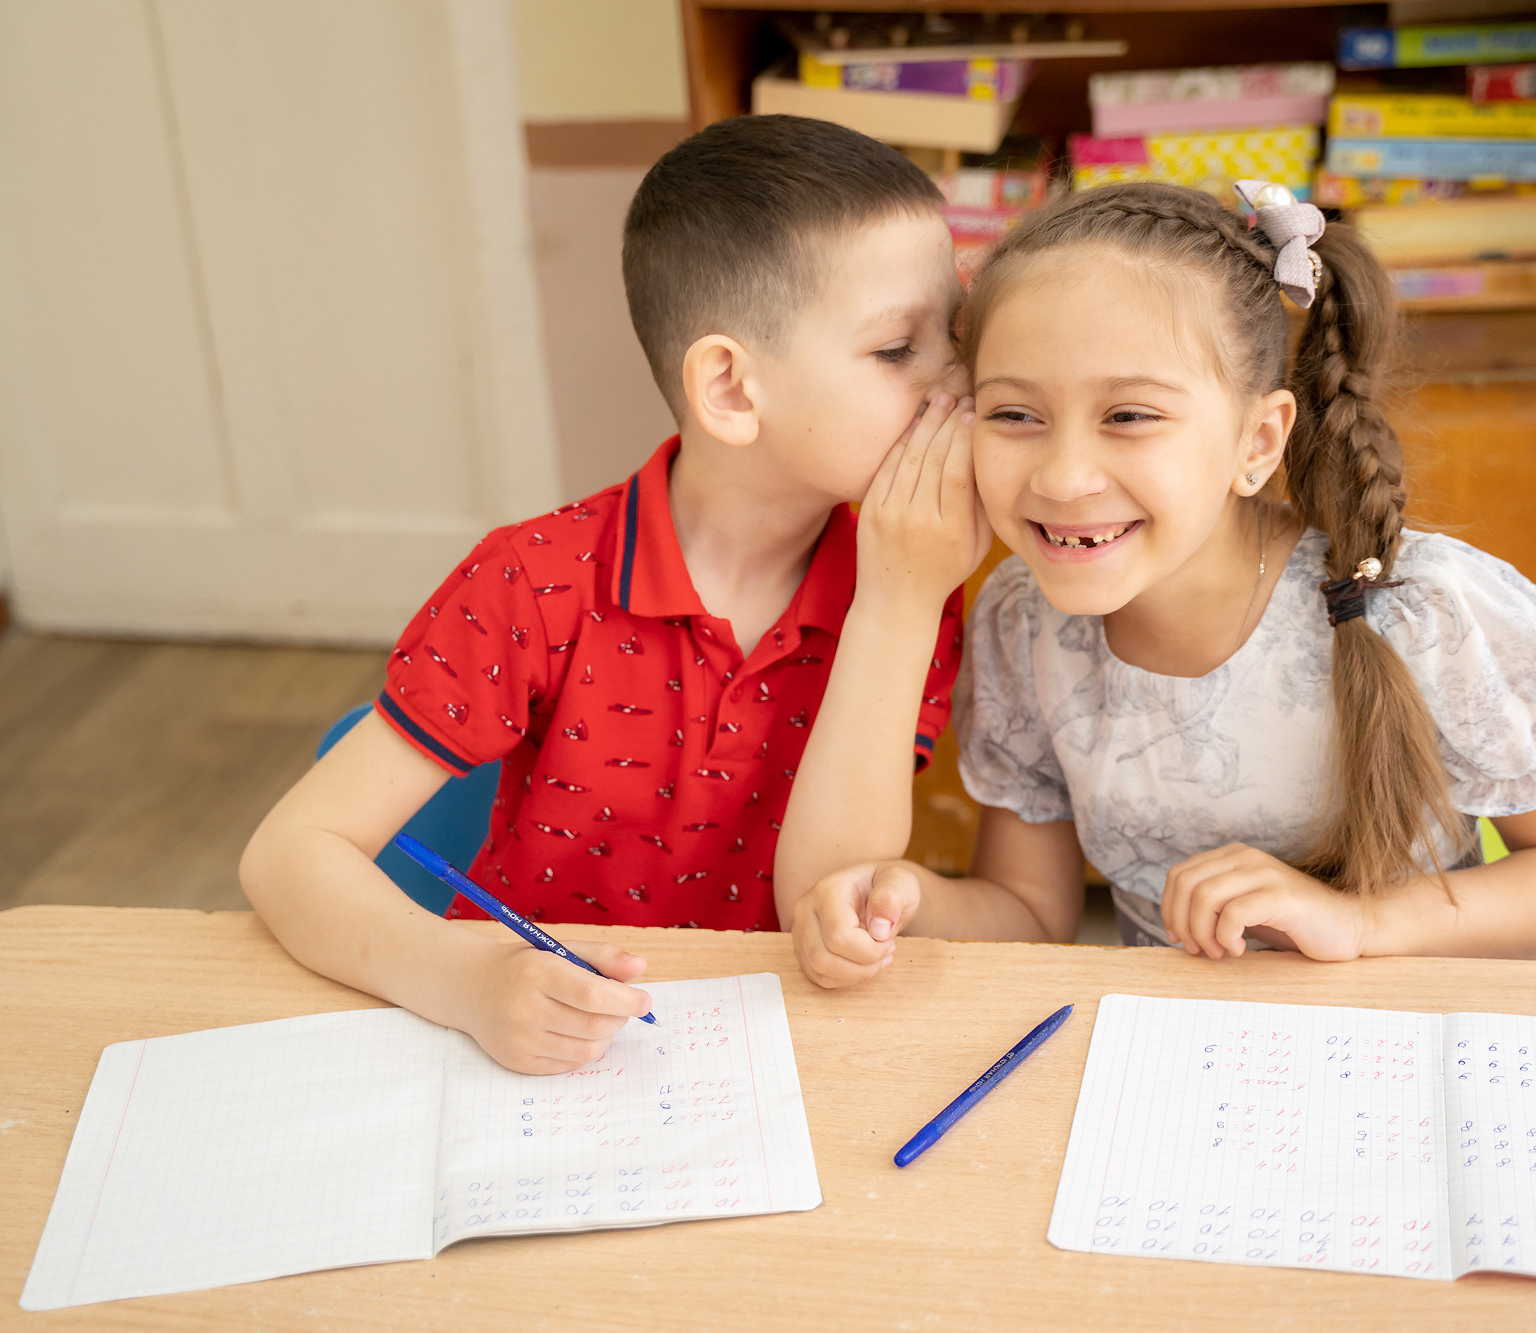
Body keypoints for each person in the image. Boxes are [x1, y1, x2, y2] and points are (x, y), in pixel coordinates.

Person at [242, 116, 986, 1071]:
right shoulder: (533, 580)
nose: (955, 382)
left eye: (954, 336)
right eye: (897, 351)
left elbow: (829, 887)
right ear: (729, 388)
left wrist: (899, 601)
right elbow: (289, 853)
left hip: (766, 1042)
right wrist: (467, 982)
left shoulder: (908, 583)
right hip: (525, 1040)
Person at [789, 179, 1536, 987]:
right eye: (1015, 415)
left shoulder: (1426, 608)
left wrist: (1356, 921)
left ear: (1257, 442)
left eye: (1129, 416)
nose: (1061, 477)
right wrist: (909, 895)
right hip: (1183, 1065)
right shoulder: (1024, 621)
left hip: (1406, 1051)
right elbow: (1034, 916)